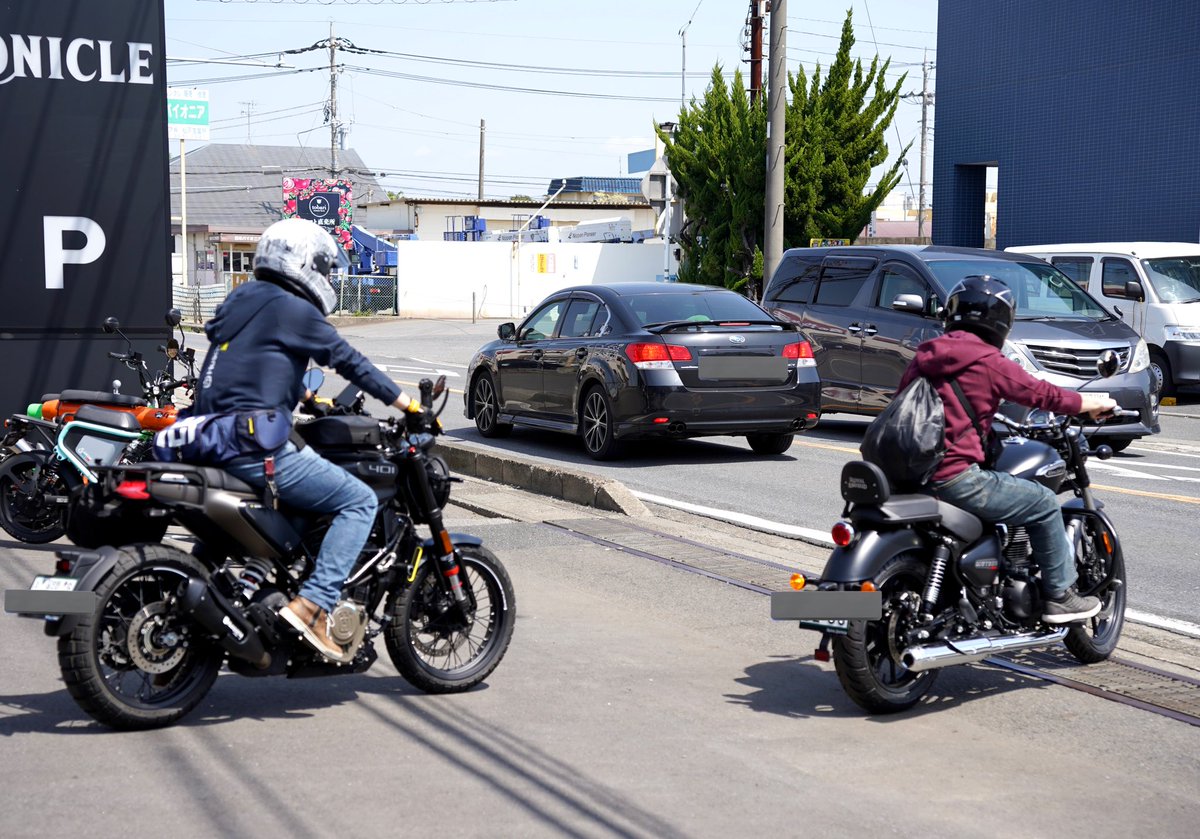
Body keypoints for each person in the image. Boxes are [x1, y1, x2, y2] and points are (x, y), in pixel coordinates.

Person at [192, 217, 418, 661]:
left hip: (205, 436)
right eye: (325, 267)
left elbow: (257, 366)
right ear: (305, 264)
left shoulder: (244, 299)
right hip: (252, 444)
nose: (328, 276)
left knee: (299, 494)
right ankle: (313, 605)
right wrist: (408, 404)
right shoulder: (292, 308)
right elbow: (348, 360)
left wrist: (307, 397)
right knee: (357, 501)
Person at [897, 274, 1117, 625]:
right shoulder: (986, 360)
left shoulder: (925, 355)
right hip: (953, 477)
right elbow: (1040, 393)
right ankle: (1059, 596)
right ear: (1000, 320)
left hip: (909, 475)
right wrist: (1087, 403)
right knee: (1044, 503)